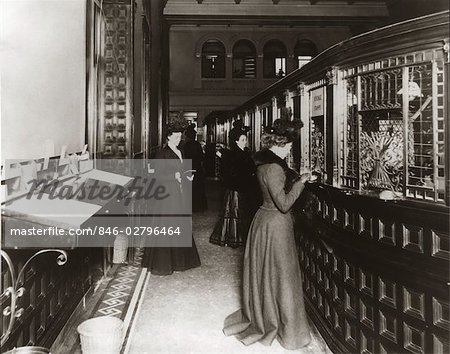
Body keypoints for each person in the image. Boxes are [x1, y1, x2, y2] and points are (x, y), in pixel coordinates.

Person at [223, 119, 313, 350]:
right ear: (281, 144)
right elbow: (284, 204)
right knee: (283, 277)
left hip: (264, 221)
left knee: (268, 274)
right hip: (276, 225)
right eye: (290, 145)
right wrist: (301, 182)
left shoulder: (264, 163)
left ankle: (268, 314)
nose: (291, 149)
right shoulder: (274, 168)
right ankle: (287, 328)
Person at [141, 119, 201, 275]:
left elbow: (182, 169)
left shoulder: (181, 151)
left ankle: (181, 261)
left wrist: (187, 176)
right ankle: (165, 264)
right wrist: (174, 176)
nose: (178, 139)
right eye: (175, 137)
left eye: (180, 137)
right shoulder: (162, 153)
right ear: (168, 137)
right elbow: (157, 176)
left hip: (179, 193)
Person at [209, 120, 260, 248]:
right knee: (237, 213)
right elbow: (235, 172)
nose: (245, 141)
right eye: (243, 140)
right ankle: (235, 238)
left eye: (245, 139)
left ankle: (233, 237)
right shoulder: (238, 154)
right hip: (238, 189)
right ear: (236, 141)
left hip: (239, 187)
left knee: (235, 213)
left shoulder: (242, 153)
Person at [183, 124, 207, 212]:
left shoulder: (186, 146)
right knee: (198, 187)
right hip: (197, 167)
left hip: (188, 167)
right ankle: (198, 206)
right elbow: (201, 156)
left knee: (190, 187)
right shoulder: (197, 144)